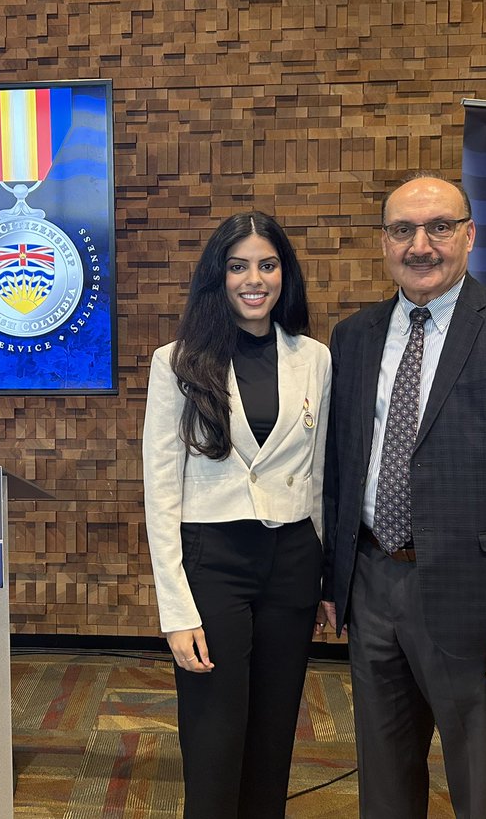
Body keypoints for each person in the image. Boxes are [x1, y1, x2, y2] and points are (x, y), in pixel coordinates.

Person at [321, 173, 486, 818]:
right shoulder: (353, 337)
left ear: (469, 235)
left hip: (479, 601)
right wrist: (335, 581)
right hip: (374, 587)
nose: (421, 245)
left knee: (484, 788)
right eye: (403, 229)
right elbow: (341, 466)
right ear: (383, 242)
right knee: (383, 783)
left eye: (438, 228)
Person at [143, 210, 331, 819]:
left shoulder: (315, 359)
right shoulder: (175, 362)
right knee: (215, 731)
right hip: (213, 562)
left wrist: (326, 575)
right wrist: (175, 608)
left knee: (276, 730)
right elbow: (161, 488)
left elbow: (323, 472)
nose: (255, 279)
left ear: (285, 274)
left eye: (268, 265)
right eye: (239, 266)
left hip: (292, 559)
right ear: (217, 277)